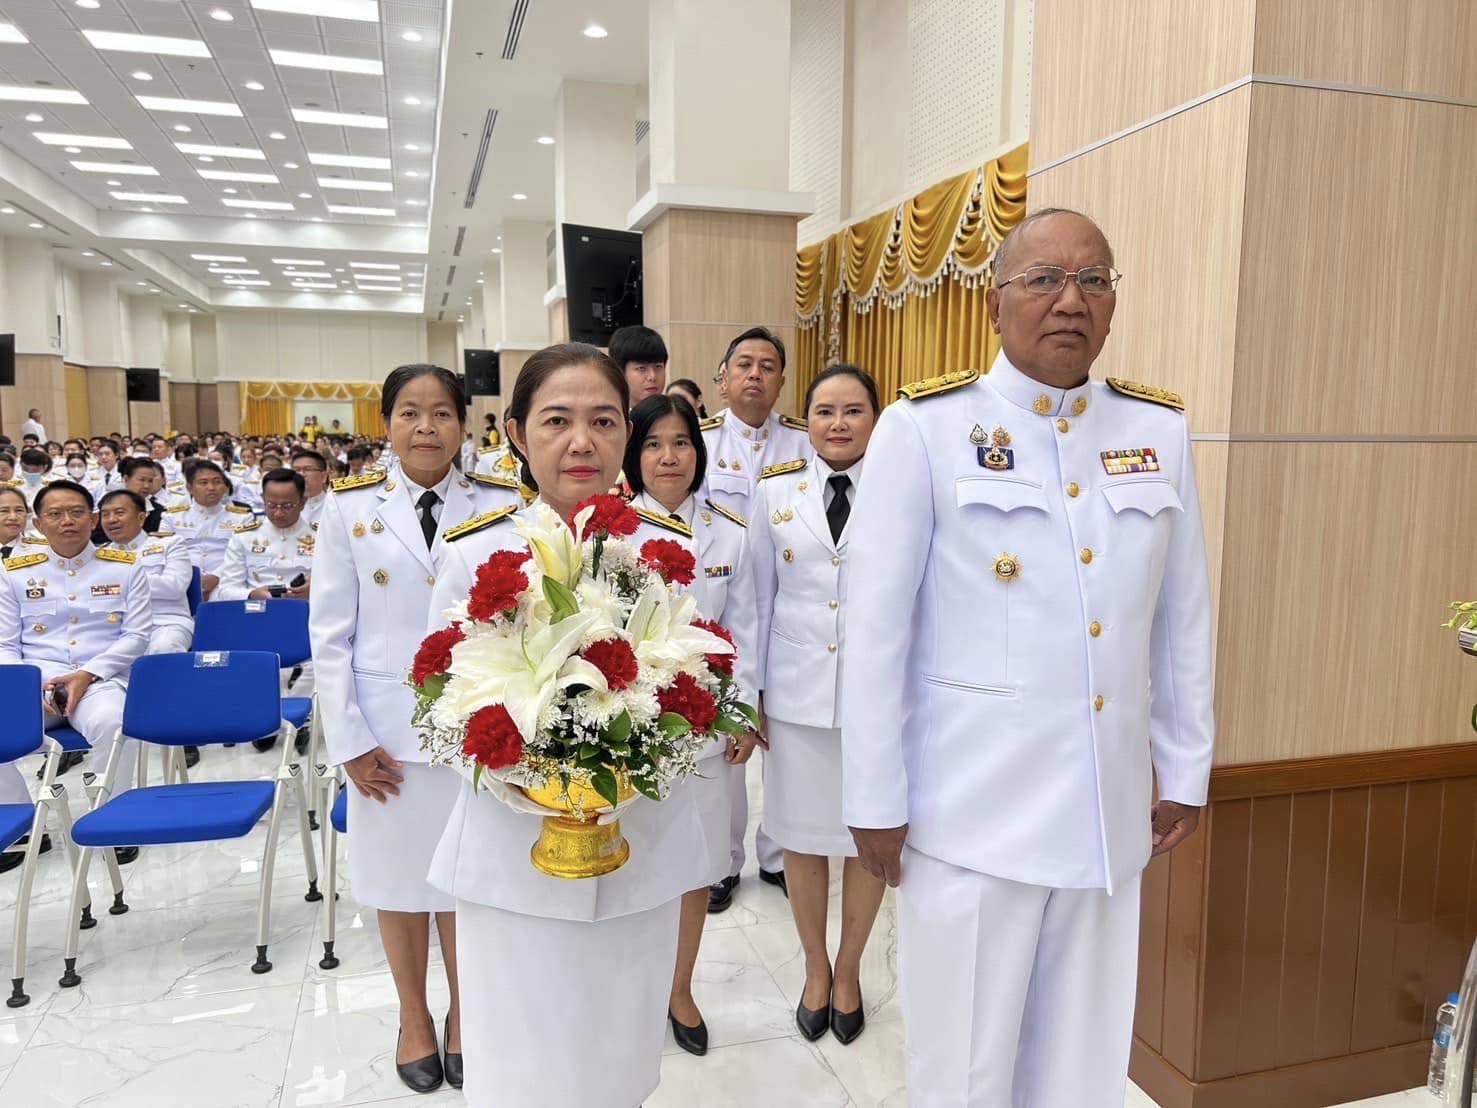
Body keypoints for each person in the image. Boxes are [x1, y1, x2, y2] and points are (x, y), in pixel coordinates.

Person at [841, 208, 1216, 1107]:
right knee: (964, 1069)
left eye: (1093, 280)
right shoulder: (924, 428)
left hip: (1102, 813)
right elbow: (876, 630)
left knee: (1082, 1069)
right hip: (969, 815)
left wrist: (1186, 766)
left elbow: (1182, 613)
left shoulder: (1154, 431)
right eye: (1042, 279)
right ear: (994, 302)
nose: (1069, 301)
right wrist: (874, 798)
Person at [427, 343, 748, 1108]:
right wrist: (531, 784)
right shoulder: (476, 550)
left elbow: (692, 687)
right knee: (519, 1060)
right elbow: (442, 694)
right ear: (515, 431)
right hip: (510, 855)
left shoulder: (663, 553)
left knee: (617, 1060)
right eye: (556, 420)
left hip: (640, 846)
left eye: (603, 421)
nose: (581, 441)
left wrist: (633, 765)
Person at [311, 364, 522, 1095]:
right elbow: (328, 635)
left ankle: (468, 1012)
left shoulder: (501, 503)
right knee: (397, 886)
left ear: (465, 423)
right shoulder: (347, 508)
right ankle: (412, 1016)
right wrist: (350, 741)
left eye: (440, 413)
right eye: (409, 413)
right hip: (386, 739)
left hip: (474, 732)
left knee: (468, 881)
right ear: (386, 423)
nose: (425, 427)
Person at [742, 363, 885, 1045]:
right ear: (806, 421)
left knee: (868, 837)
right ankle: (814, 968)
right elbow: (755, 602)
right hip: (795, 698)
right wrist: (753, 697)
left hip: (874, 699)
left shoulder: (899, 491)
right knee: (799, 838)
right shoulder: (774, 495)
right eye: (824, 411)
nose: (837, 423)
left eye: (853, 410)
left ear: (875, 420)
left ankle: (851, 969)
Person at [621, 393, 760, 1057]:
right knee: (635, 864)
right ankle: (630, 990)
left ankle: (678, 989)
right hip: (632, 733)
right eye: (652, 444)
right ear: (635, 455)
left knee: (693, 868)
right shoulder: (610, 533)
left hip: (703, 731)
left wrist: (746, 709)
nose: (668, 456)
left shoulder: (730, 529)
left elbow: (748, 629)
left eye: (680, 442)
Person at [699, 326, 812, 903]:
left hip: (790, 600)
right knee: (727, 735)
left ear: (782, 381)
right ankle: (723, 861)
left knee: (785, 735)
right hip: (724, 604)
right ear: (722, 377)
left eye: (768, 366)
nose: (755, 375)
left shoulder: (805, 443)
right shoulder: (697, 444)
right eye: (743, 364)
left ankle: (778, 853)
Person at [0, 481, 151, 822]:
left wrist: (86, 675)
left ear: (93, 519)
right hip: (36, 683)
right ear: (37, 524)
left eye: (76, 512)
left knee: (113, 722)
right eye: (55, 514)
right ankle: (19, 822)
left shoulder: (126, 567)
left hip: (99, 679)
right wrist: (27, 685)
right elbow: (5, 645)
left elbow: (138, 635)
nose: (67, 520)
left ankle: (116, 817)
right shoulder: (13, 573)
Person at [97, 489, 194, 652]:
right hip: (115, 627)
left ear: (141, 517)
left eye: (119, 513)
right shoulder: (98, 555)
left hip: (163, 623)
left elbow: (175, 587)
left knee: (164, 648)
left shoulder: (170, 544)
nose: (111, 519)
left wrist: (124, 580)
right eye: (105, 515)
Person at [215, 469, 315, 603]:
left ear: (303, 502)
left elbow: (337, 582)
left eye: (287, 506)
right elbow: (226, 590)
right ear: (262, 499)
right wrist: (251, 594)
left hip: (305, 612)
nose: (278, 513)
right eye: (272, 505)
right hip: (258, 611)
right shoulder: (245, 536)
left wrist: (315, 590)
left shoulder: (320, 536)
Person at [171, 460, 254, 600]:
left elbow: (244, 555)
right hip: (183, 580)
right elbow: (168, 554)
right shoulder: (172, 517)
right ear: (190, 488)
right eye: (203, 483)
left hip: (226, 581)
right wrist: (192, 579)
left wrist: (216, 576)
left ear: (224, 486)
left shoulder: (243, 518)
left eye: (217, 482)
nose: (211, 487)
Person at [609, 324, 669, 407]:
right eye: (641, 368)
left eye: (658, 366)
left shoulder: (675, 416)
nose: (652, 377)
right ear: (620, 372)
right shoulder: (609, 416)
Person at [291, 449, 330, 527]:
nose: (301, 474)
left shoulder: (333, 506)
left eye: (308, 469)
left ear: (323, 476)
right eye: (297, 470)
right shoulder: (285, 507)